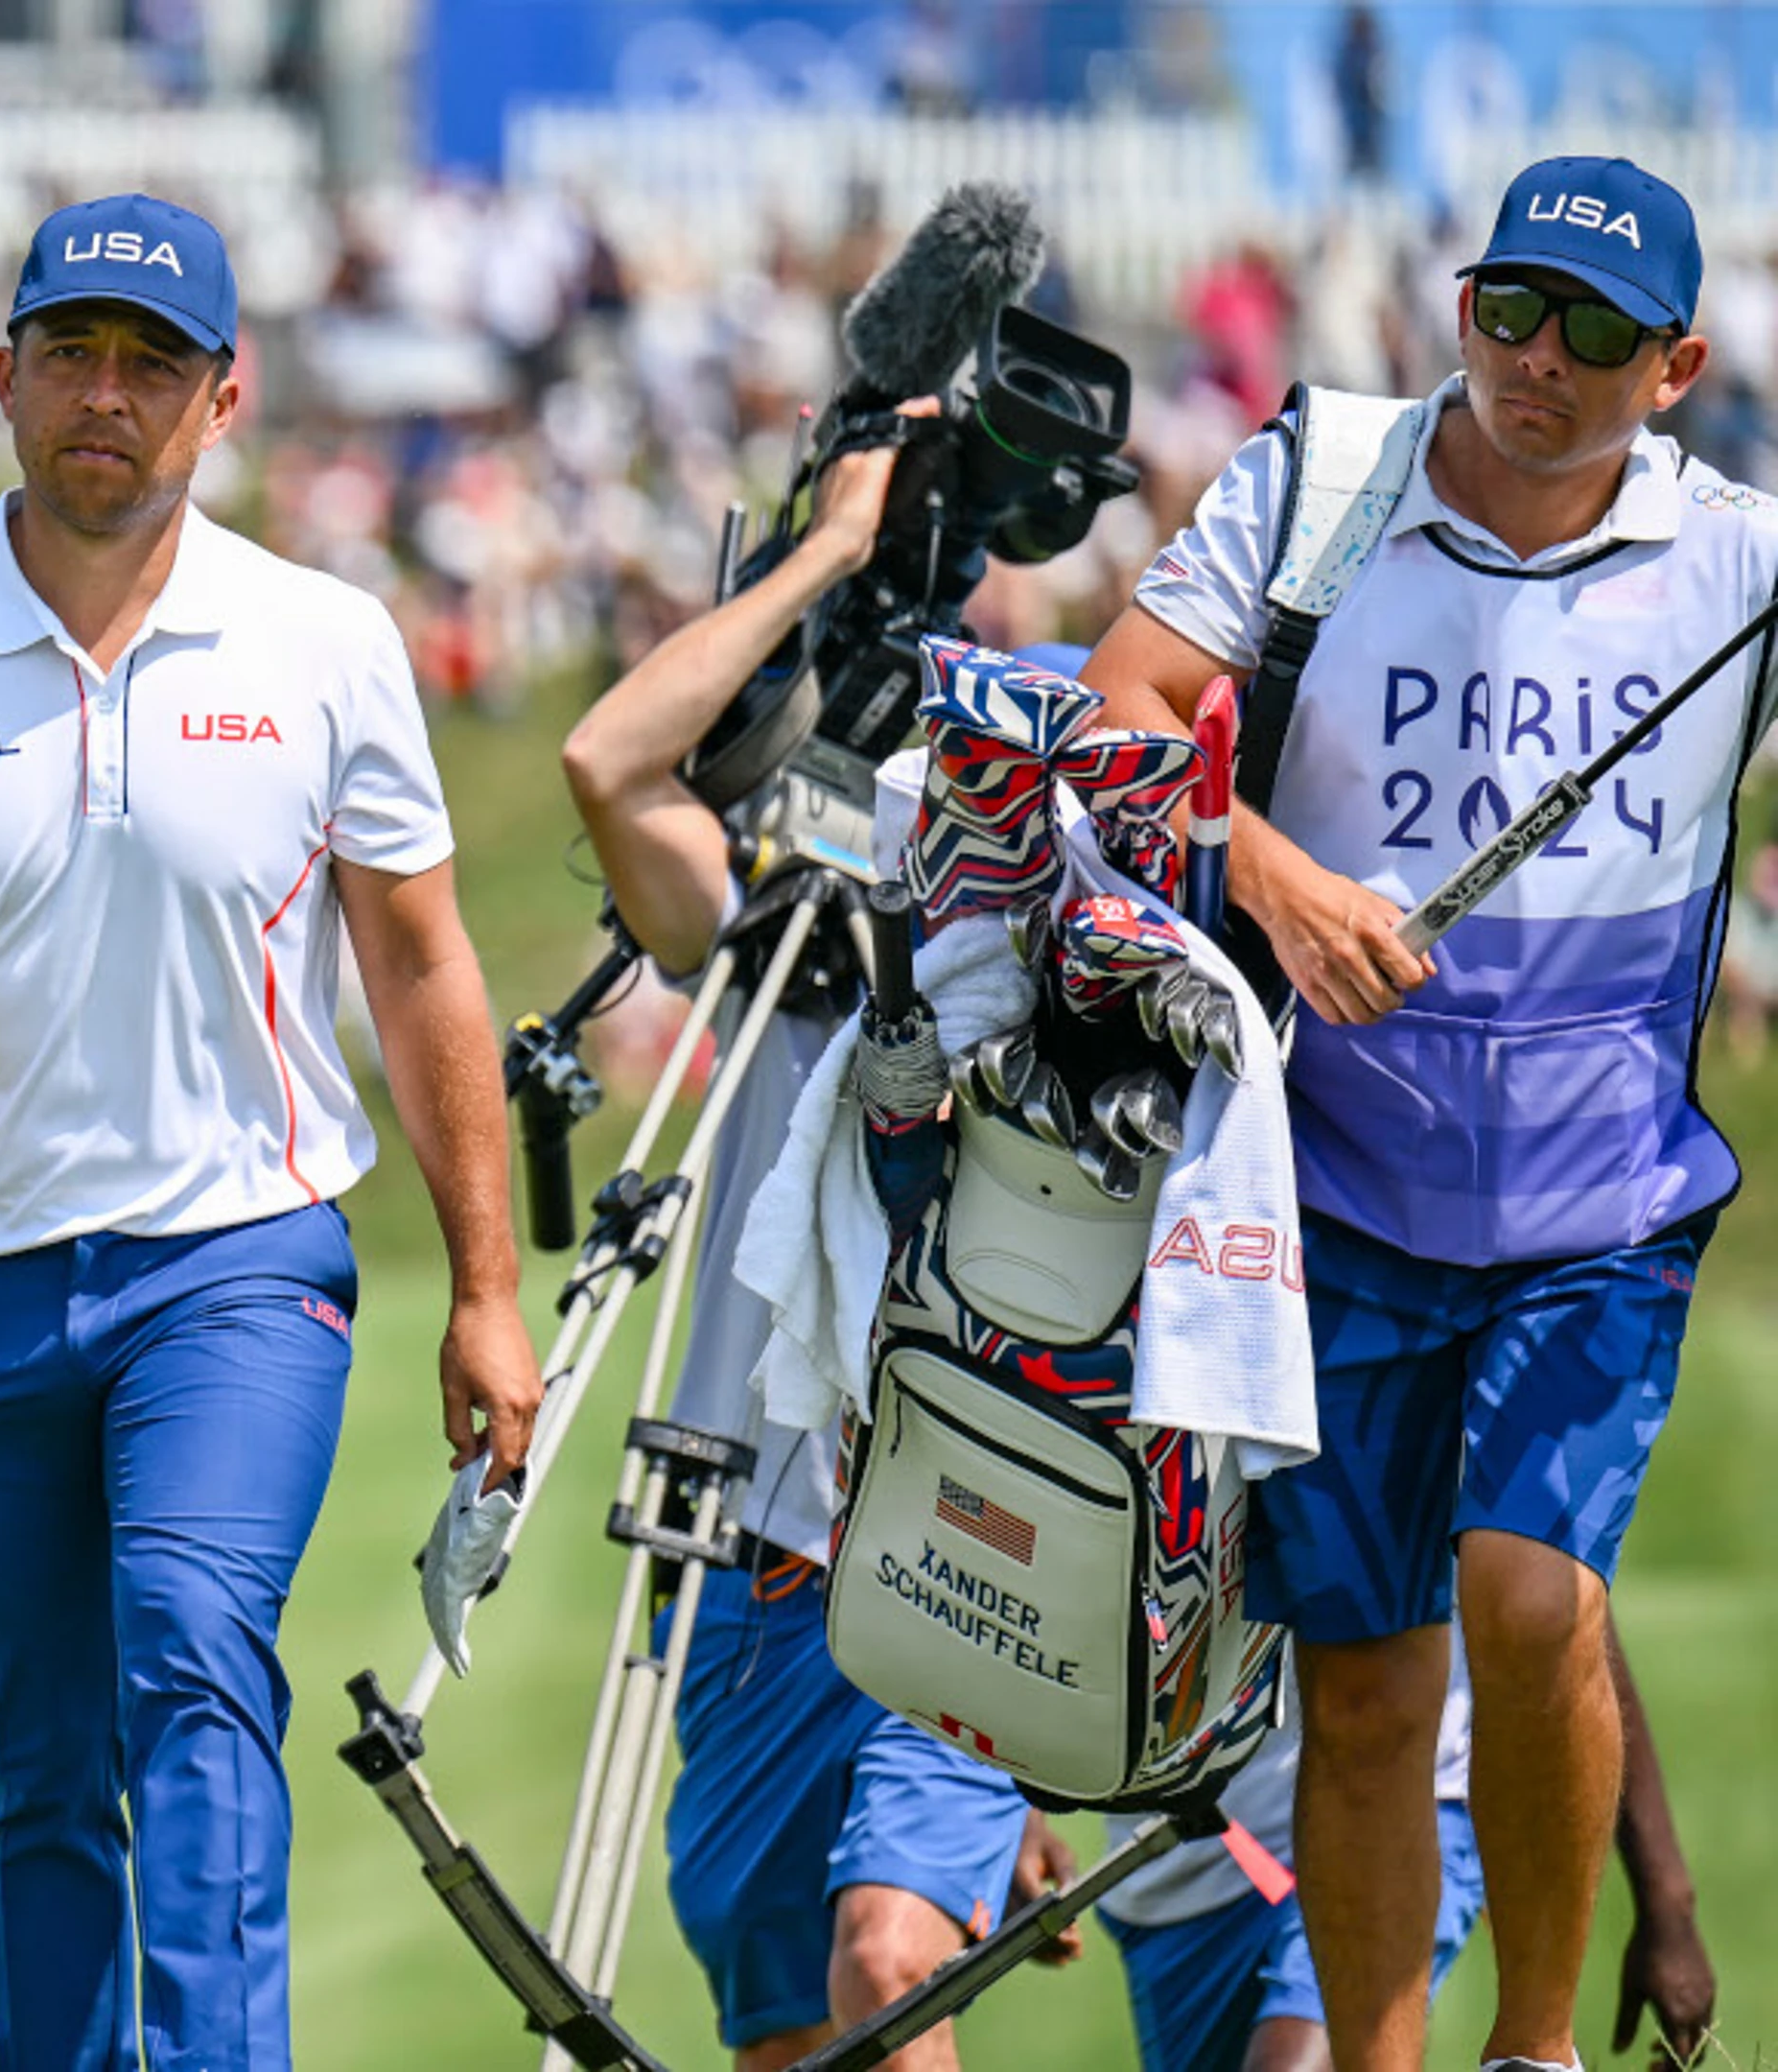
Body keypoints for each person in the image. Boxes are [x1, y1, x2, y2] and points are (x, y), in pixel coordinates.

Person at [0, 192, 541, 2072]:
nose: (108, 394)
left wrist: (487, 1286)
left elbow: (421, 972)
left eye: (152, 364)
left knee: (191, 1655)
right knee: (39, 1771)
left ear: (224, 400)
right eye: (71, 353)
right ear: (2, 376)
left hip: (235, 1263)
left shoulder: (323, 642)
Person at [1080, 155, 1753, 2072]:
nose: (1540, 360)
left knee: (1533, 1608)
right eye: (1509, 309)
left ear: (1680, 363)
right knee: (1368, 1698)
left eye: (1599, 333)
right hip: (1334, 1187)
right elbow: (1124, 712)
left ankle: (1530, 2048)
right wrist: (1269, 877)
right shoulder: (1316, 482)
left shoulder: (1740, 564)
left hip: (1601, 1197)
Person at [558, 414, 1070, 2071]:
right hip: (760, 1563)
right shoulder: (785, 910)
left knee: (883, 1956)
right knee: (786, 2032)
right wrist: (830, 553)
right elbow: (609, 766)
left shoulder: (1059, 933)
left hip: (970, 1524)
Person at [1102, 1633, 1712, 2072]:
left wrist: (1667, 1899)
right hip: (1178, 1874)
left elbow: (1563, 1612)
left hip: (1408, 1801)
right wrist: (1006, 1803)